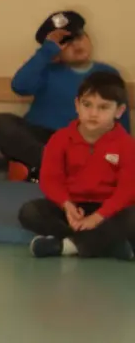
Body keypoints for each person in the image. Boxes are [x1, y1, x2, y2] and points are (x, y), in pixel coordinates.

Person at [0, 10, 126, 177]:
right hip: (41, 139)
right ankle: (56, 168)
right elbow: (19, 86)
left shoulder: (107, 73)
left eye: (79, 38)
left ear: (88, 39)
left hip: (80, 141)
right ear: (56, 51)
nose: (76, 45)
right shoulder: (46, 69)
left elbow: (120, 120)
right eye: (66, 43)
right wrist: (46, 53)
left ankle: (43, 170)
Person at [19, 71, 135, 259]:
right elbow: (50, 179)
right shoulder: (60, 139)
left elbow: (128, 190)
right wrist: (66, 205)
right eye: (87, 105)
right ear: (77, 105)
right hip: (73, 208)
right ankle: (106, 245)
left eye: (103, 107)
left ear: (119, 111)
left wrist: (98, 217)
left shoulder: (127, 145)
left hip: (109, 211)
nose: (93, 113)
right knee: (29, 212)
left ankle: (66, 246)